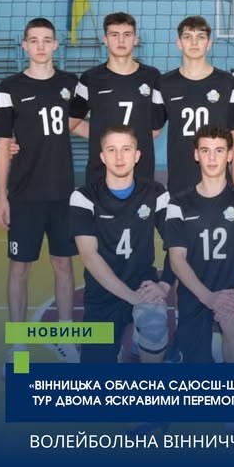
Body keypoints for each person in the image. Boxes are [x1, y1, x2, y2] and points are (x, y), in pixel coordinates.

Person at [0, 18, 81, 372]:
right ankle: (17, 345)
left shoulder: (71, 84)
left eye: (47, 40)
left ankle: (66, 337)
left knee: (64, 265)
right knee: (20, 268)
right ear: (24, 45)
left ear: (56, 44)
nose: (41, 46)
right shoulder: (9, 87)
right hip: (24, 195)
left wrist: (122, 137)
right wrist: (3, 197)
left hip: (62, 193)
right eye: (34, 40)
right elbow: (3, 143)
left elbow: (78, 125)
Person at [69, 125, 173, 363]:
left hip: (143, 286)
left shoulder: (156, 193)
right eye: (112, 150)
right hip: (102, 294)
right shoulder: (84, 197)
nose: (119, 157)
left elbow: (177, 244)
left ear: (137, 155)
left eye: (126, 149)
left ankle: (142, 339)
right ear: (102, 157)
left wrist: (164, 285)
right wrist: (131, 297)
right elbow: (89, 256)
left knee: (154, 326)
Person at [165, 125, 234, 363]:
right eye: (205, 151)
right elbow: (177, 260)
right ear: (196, 155)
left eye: (219, 150)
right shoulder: (178, 204)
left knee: (230, 317)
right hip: (196, 293)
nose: (212, 158)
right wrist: (208, 298)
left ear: (230, 155)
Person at [70, 12, 166, 184]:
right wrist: (103, 138)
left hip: (140, 169)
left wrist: (128, 146)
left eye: (127, 35)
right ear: (105, 39)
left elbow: (156, 129)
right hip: (101, 170)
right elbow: (73, 123)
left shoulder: (152, 76)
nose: (121, 40)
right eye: (114, 35)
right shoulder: (90, 78)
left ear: (135, 39)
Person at [160, 15, 234, 195]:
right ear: (179, 43)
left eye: (201, 37)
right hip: (180, 180)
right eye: (187, 37)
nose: (194, 43)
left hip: (220, 181)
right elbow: (152, 130)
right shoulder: (164, 83)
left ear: (209, 43)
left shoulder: (226, 82)